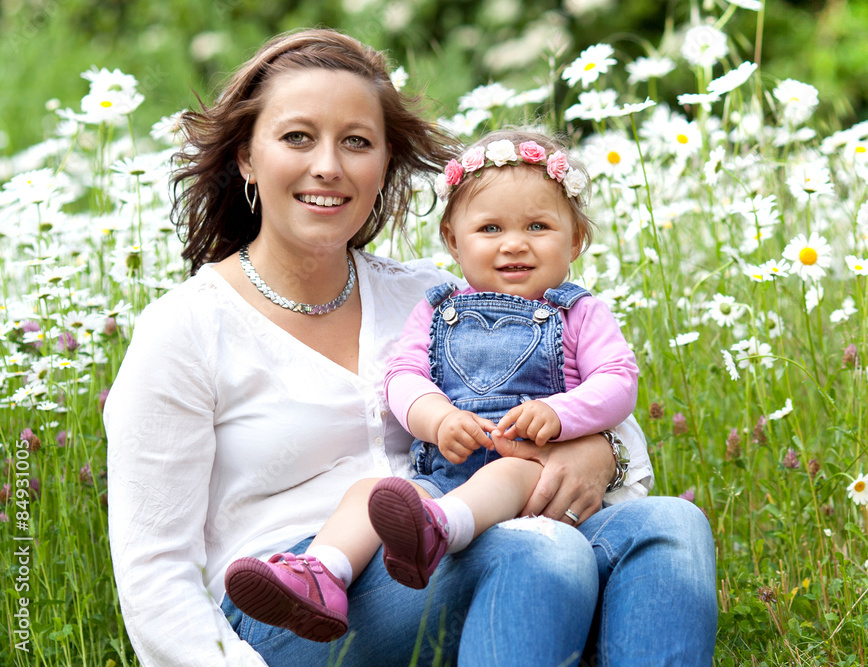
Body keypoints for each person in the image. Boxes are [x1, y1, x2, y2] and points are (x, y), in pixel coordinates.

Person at [104, 27, 718, 667]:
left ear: (384, 164)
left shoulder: (435, 299)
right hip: (294, 608)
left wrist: (601, 453)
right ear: (246, 158)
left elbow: (580, 401)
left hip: (456, 537)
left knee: (672, 528)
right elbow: (155, 574)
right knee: (541, 549)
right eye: (296, 137)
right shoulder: (184, 330)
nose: (328, 165)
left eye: (357, 142)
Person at [222, 129, 641, 639]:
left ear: (574, 239)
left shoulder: (579, 313)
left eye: (538, 225)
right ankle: (321, 573)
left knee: (504, 475)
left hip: (526, 475)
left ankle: (442, 531)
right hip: (441, 475)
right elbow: (403, 377)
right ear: (452, 239)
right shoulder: (437, 307)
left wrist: (561, 415)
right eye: (490, 228)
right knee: (371, 492)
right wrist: (437, 418)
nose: (514, 243)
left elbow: (618, 381)